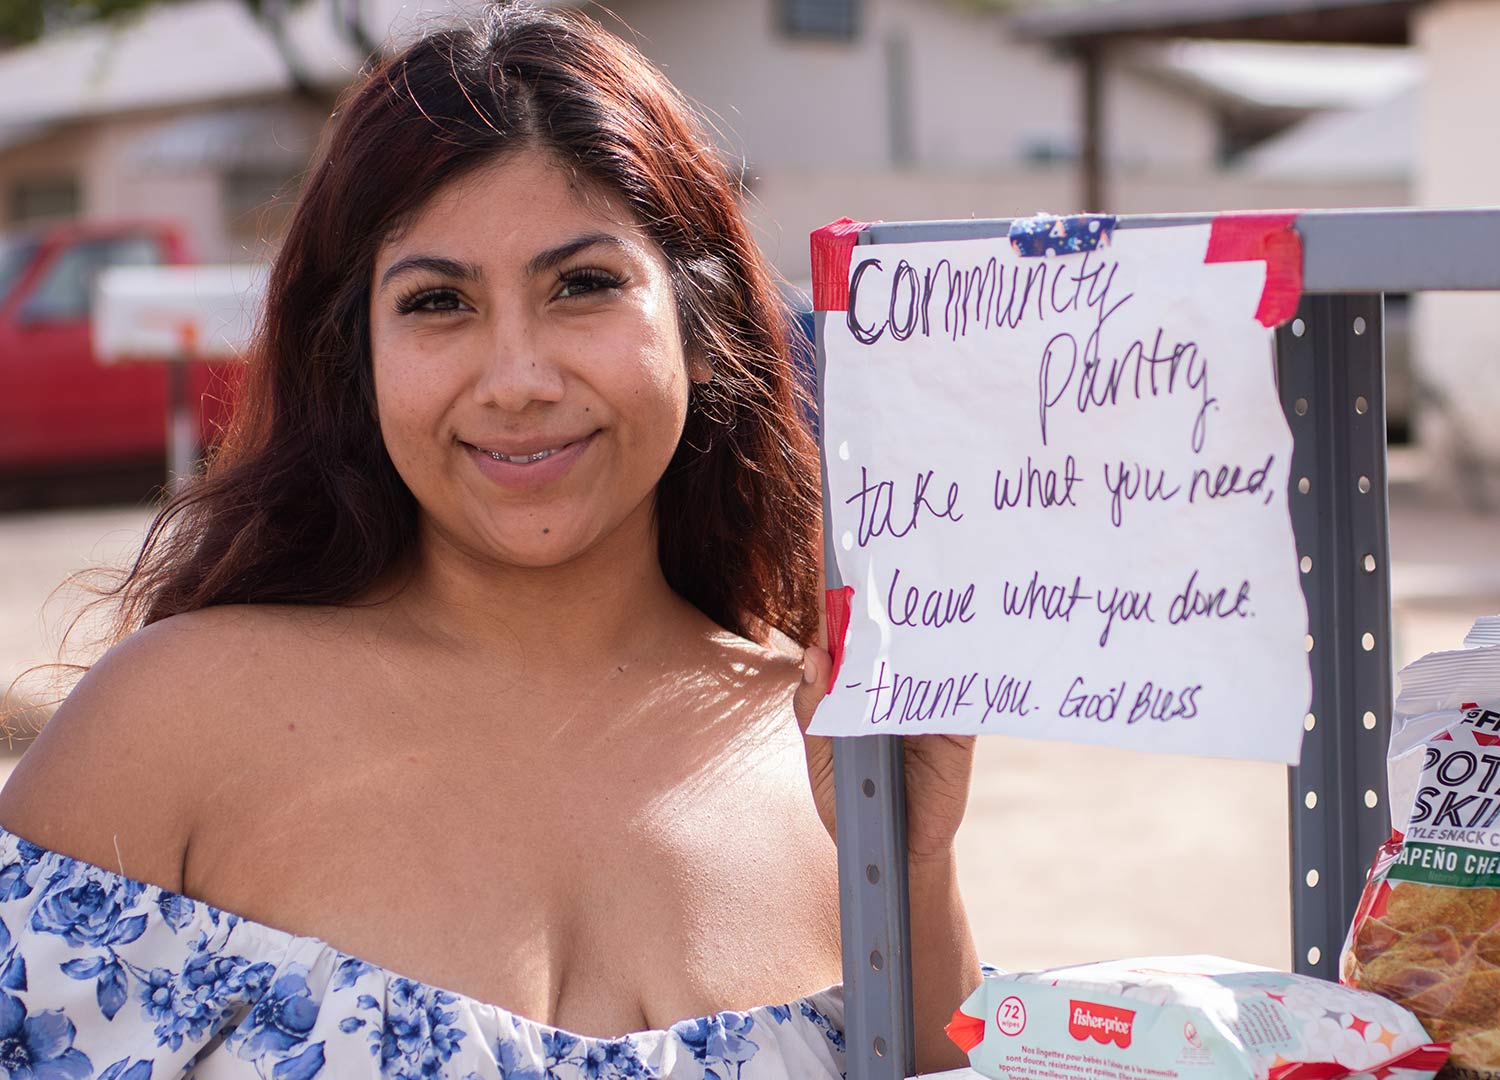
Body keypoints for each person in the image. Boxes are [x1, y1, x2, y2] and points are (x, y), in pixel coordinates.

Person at [0, 6, 982, 1078]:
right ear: (356, 361)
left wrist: (912, 865)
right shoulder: (171, 723)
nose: (518, 380)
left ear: (703, 333)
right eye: (438, 303)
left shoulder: (828, 750)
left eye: (583, 286)